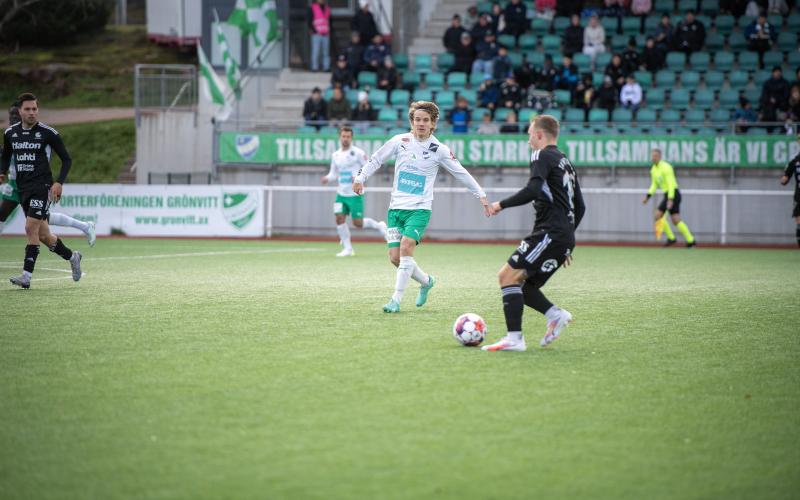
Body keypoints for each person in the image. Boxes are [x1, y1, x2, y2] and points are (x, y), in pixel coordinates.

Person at [352, 101, 490, 313]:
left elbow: (460, 172)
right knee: (396, 258)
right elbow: (377, 159)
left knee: (407, 247)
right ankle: (426, 281)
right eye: (417, 120)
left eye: (426, 120)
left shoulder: (439, 149)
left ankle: (395, 300)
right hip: (396, 208)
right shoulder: (400, 141)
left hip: (420, 208)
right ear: (412, 121)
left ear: (433, 123)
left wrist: (480, 194)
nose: (421, 124)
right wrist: (360, 177)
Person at [482, 115, 585, 351]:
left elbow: (532, 189)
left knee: (506, 277)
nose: (529, 140)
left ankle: (515, 339)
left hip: (549, 233)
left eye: (530, 134)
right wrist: (567, 241)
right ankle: (555, 315)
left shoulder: (541, 155)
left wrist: (501, 205)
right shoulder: (566, 162)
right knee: (523, 285)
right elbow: (581, 206)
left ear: (539, 134)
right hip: (560, 236)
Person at [1, 93, 82, 289]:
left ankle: (26, 276)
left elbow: (67, 159)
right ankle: (73, 257)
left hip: (42, 187)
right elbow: (6, 155)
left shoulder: (48, 133)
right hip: (22, 189)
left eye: (34, 109)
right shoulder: (10, 133)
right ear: (20, 111)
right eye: (27, 109)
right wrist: (2, 171)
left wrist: (59, 182)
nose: (31, 112)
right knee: (45, 236)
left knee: (30, 228)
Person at [0, 102, 95, 245]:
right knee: (3, 214)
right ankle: (84, 227)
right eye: (11, 115)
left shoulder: (41, 133)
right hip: (15, 185)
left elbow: (64, 158)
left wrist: (58, 182)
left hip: (36, 183)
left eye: (15, 114)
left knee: (44, 219)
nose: (13, 118)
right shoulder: (11, 134)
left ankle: (84, 227)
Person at [321, 126, 388, 256]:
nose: (345, 139)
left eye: (348, 137)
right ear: (340, 137)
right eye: (343, 136)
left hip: (355, 193)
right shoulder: (335, 155)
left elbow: (369, 166)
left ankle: (379, 226)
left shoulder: (358, 153)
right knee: (339, 218)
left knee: (358, 223)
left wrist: (359, 177)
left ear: (351, 138)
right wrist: (327, 178)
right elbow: (333, 174)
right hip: (341, 194)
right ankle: (347, 248)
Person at [641, 148, 696, 247]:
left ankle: (674, 238)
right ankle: (689, 240)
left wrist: (670, 199)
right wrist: (647, 196)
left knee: (658, 215)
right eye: (652, 156)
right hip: (667, 195)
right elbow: (654, 184)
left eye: (656, 156)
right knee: (675, 220)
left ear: (660, 157)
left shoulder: (666, 167)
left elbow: (671, 184)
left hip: (673, 193)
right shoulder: (653, 169)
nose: (654, 158)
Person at [779, 134, 800, 247]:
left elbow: (784, 180)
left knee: (799, 222)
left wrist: (783, 178)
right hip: (798, 196)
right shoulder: (794, 161)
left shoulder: (794, 161)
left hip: (799, 195)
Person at [308, 0, 331, 72]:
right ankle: (315, 67)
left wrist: (329, 31)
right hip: (316, 33)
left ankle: (326, 67)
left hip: (326, 33)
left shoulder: (327, 8)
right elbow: (309, 20)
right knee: (316, 51)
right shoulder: (313, 8)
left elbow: (329, 20)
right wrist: (314, 31)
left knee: (326, 52)